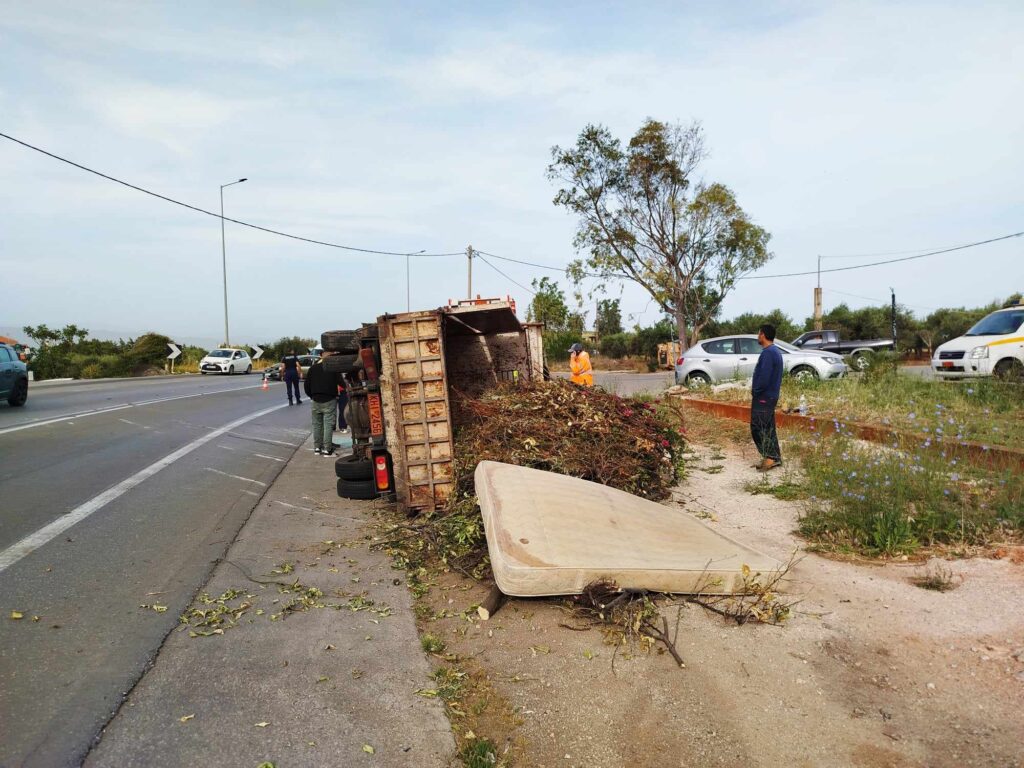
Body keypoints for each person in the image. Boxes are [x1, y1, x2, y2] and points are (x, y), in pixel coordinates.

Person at [750, 323, 784, 471]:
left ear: (763, 334)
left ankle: (770, 456)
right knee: (768, 427)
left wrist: (756, 391)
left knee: (758, 427)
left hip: (764, 396)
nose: (758, 336)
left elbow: (764, 377)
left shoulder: (768, 353)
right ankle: (774, 457)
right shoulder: (774, 351)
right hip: (770, 396)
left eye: (759, 333)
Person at [304, 353, 342, 456]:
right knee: (328, 426)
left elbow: (306, 385)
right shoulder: (333, 369)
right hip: (329, 400)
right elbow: (341, 383)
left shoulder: (313, 368)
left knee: (317, 425)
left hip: (315, 400)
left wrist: (312, 396)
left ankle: (317, 448)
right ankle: (327, 450)